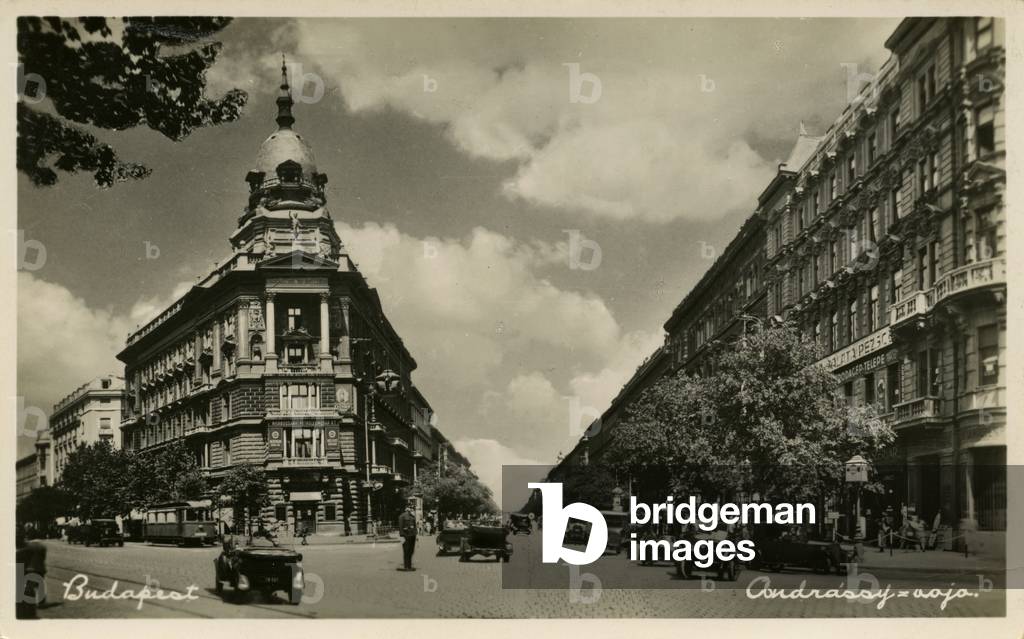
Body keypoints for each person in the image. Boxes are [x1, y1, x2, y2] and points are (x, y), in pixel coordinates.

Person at [398, 500, 418, 571]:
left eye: (411, 507)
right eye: (409, 507)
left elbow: (415, 527)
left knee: (411, 551)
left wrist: (416, 535)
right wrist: (402, 536)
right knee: (406, 551)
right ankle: (406, 566)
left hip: (412, 536)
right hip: (405, 536)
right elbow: (400, 528)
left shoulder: (412, 516)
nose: (410, 508)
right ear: (406, 508)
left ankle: (409, 566)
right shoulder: (402, 516)